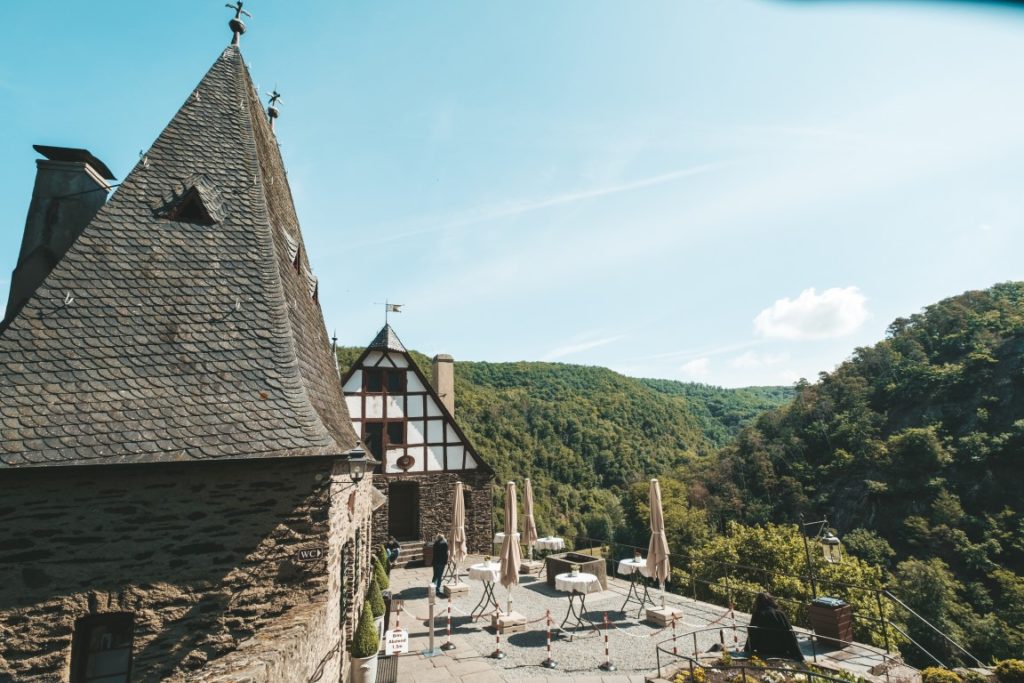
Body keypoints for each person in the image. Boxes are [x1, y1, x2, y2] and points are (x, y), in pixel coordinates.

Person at [745, 592, 804, 661]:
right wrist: (798, 655)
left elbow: (752, 635)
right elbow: (790, 634)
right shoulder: (780, 614)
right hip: (782, 650)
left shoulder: (758, 614)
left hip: (764, 651)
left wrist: (747, 649)